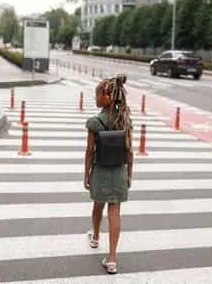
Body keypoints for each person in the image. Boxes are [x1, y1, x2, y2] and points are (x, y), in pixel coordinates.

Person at [83, 74, 134, 274]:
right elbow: (130, 150)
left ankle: (95, 237)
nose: (95, 99)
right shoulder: (125, 120)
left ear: (108, 97)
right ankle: (112, 259)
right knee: (115, 211)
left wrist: (86, 174)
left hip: (100, 170)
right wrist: (130, 173)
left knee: (98, 204)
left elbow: (89, 151)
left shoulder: (95, 123)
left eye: (97, 95)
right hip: (119, 171)